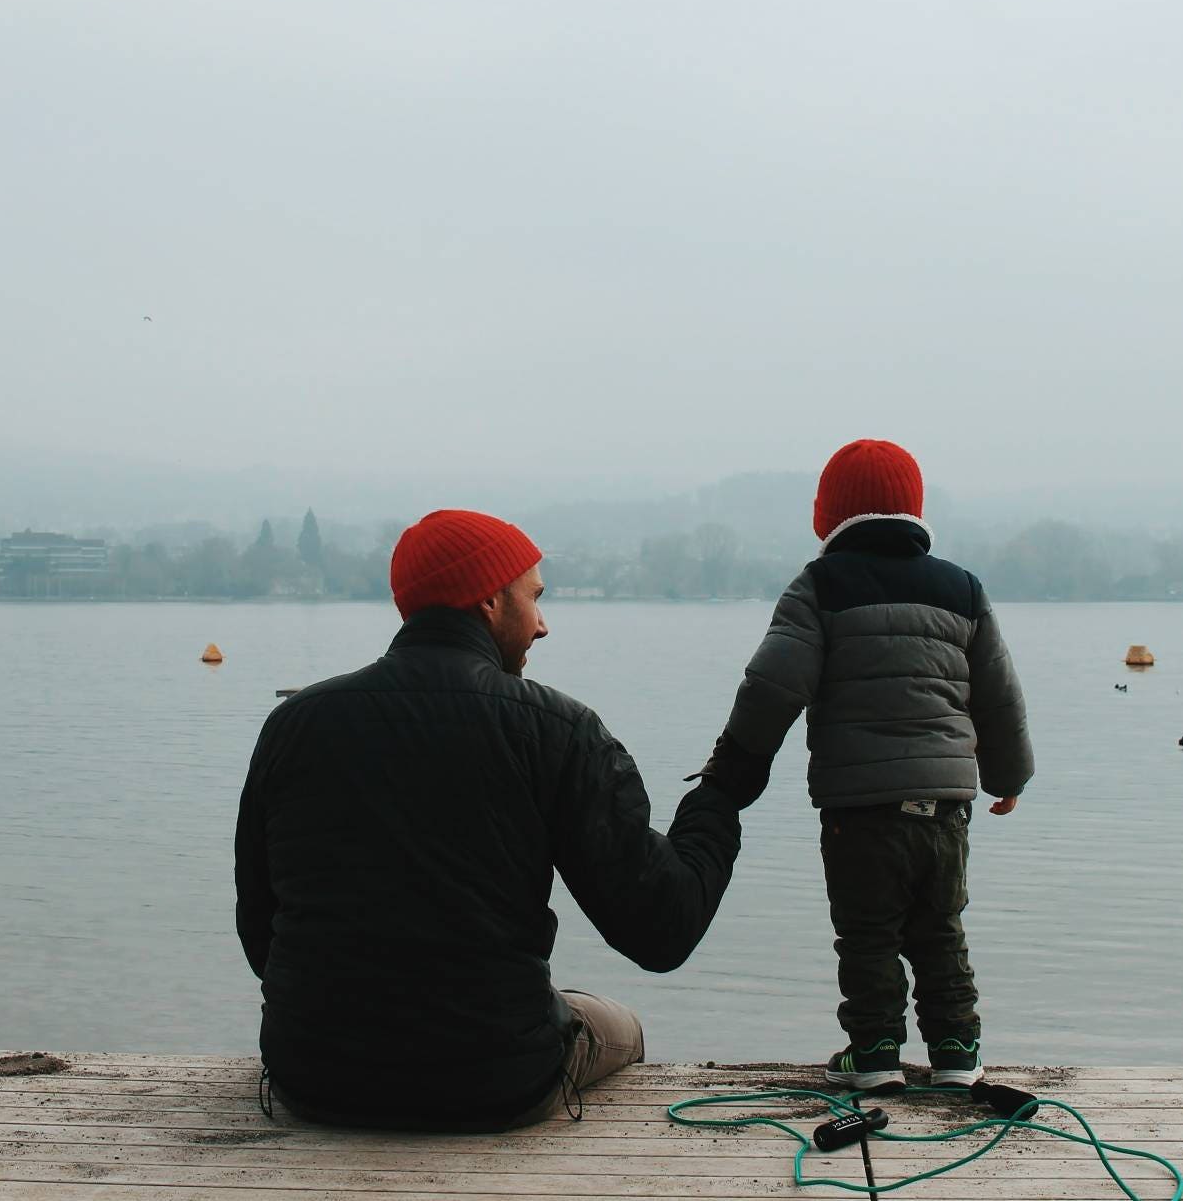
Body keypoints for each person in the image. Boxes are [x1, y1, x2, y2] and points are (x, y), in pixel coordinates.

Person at [235, 509, 743, 1131]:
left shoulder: (294, 726)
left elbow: (262, 933)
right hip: (496, 1080)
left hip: (310, 1076)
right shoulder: (555, 729)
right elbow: (663, 929)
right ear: (488, 601)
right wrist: (719, 798)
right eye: (533, 598)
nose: (543, 624)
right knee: (622, 1027)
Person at [694, 439, 1033, 1090]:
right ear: (914, 510)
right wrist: (1007, 777)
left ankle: (874, 1054)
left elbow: (772, 686)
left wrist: (729, 778)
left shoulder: (819, 586)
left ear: (828, 515)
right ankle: (957, 1053)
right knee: (939, 926)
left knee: (868, 931)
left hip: (859, 807)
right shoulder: (961, 588)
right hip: (944, 803)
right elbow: (999, 695)